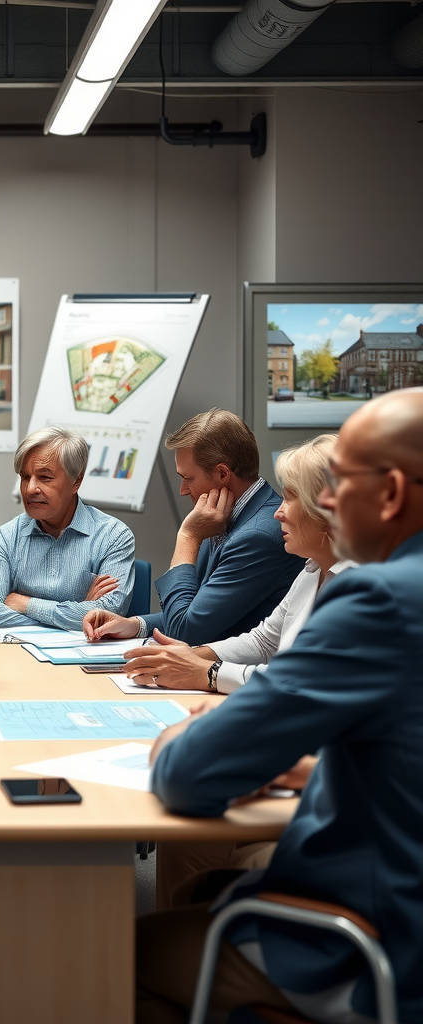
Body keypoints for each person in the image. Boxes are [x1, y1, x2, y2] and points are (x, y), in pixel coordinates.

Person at [136, 388, 423, 1024]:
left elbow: (187, 775)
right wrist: (325, 768)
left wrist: (178, 734)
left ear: (391, 494)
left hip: (376, 942)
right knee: (206, 884)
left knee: (111, 956)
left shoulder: (376, 599)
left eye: (340, 483)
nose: (325, 502)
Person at [122, 434, 353, 693]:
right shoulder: (312, 569)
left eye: (289, 498)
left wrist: (205, 672)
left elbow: (301, 678)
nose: (278, 512)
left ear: (325, 510)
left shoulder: (363, 587)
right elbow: (264, 641)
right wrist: (190, 657)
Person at [83, 409, 302, 645]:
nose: (182, 490)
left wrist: (188, 536)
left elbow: (186, 630)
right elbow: (194, 610)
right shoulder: (219, 515)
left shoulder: (259, 537)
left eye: (188, 478)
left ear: (222, 473)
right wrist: (136, 625)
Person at [0, 426, 134, 629]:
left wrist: (27, 604)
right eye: (25, 477)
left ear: (76, 481)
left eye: (45, 478)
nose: (30, 489)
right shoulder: (6, 537)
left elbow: (110, 615)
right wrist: (81, 610)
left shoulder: (113, 535)